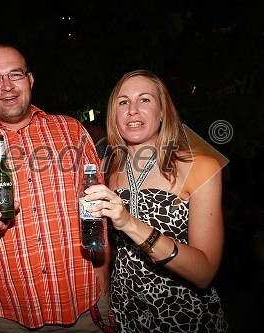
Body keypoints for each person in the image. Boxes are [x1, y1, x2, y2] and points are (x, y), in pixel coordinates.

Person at [0, 43, 112, 332]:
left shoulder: (72, 131)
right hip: (9, 312)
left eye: (15, 74)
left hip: (84, 303)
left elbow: (97, 206)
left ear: (30, 80)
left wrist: (103, 268)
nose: (6, 86)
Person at [84, 70, 228, 332]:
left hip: (183, 315)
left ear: (163, 112)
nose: (133, 110)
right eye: (123, 102)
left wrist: (129, 223)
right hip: (125, 314)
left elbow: (204, 273)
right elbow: (105, 245)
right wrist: (103, 295)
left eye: (145, 100)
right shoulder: (107, 169)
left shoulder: (201, 167)